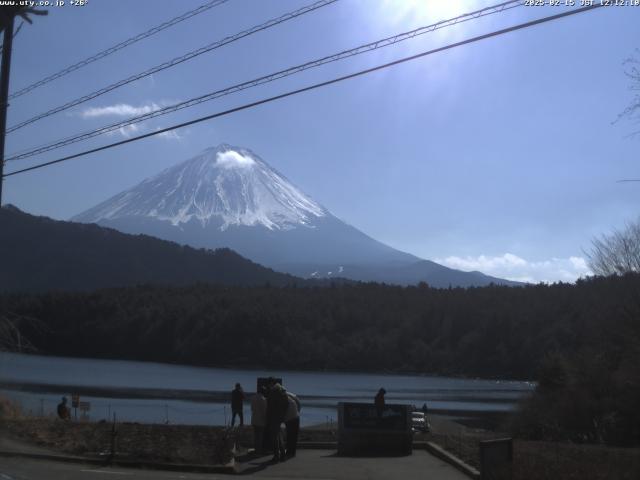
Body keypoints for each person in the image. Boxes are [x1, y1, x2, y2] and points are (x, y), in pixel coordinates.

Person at [266, 378, 288, 462]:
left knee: (274, 437)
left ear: (271, 383)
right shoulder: (282, 390)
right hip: (280, 417)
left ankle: (276, 456)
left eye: (269, 384)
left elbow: (270, 405)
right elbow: (286, 404)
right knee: (279, 436)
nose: (268, 386)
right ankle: (282, 455)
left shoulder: (274, 391)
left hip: (274, 417)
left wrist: (268, 416)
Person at [284, 391, 301, 458]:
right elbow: (299, 405)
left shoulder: (284, 400)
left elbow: (282, 411)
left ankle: (289, 452)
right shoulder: (292, 398)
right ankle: (292, 452)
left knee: (290, 436)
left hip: (290, 419)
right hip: (296, 417)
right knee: (293, 436)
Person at [251, 386, 267, 455]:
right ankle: (259, 451)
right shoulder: (263, 399)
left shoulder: (253, 398)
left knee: (256, 436)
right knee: (260, 436)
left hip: (254, 419)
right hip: (261, 420)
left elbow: (252, 408)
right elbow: (264, 411)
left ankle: (256, 449)